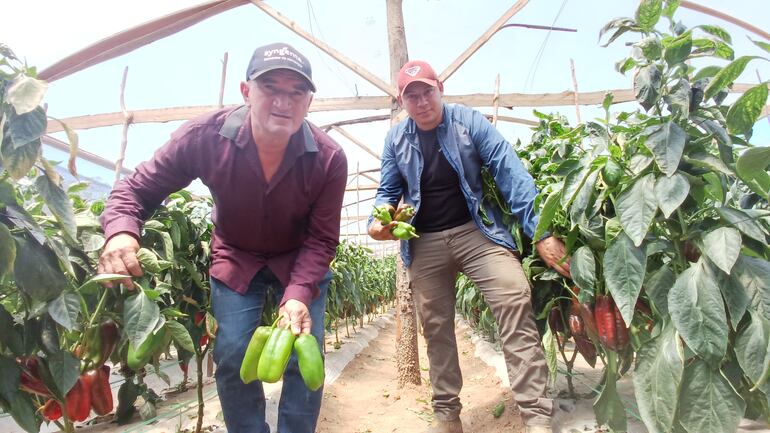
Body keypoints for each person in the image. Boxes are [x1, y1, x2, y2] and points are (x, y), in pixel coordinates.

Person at [98, 42, 348, 433]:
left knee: (304, 356)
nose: (284, 101)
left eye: (296, 91)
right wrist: (120, 233)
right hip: (237, 257)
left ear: (309, 101)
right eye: (271, 88)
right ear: (246, 92)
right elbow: (135, 190)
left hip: (299, 261)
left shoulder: (329, 158)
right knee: (232, 355)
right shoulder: (204, 137)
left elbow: (320, 239)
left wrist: (298, 293)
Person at [368, 60, 571, 433]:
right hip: (425, 240)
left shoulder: (468, 122)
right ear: (403, 102)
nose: (421, 101)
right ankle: (447, 414)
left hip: (476, 231)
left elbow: (509, 171)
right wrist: (377, 224)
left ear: (440, 87)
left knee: (513, 295)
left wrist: (540, 233)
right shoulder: (396, 139)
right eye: (411, 96)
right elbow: (386, 192)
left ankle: (537, 415)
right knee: (436, 325)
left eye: (426, 91)